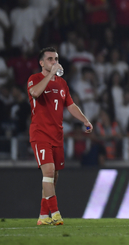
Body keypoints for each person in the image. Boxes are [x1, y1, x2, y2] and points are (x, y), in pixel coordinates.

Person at [28, 47, 93, 225]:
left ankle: (42, 216)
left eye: (56, 59)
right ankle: (56, 214)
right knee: (48, 172)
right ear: (41, 63)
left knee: (54, 177)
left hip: (57, 134)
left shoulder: (62, 84)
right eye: (50, 59)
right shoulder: (35, 79)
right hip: (40, 133)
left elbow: (70, 105)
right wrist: (50, 75)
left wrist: (85, 120)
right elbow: (35, 93)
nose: (54, 62)